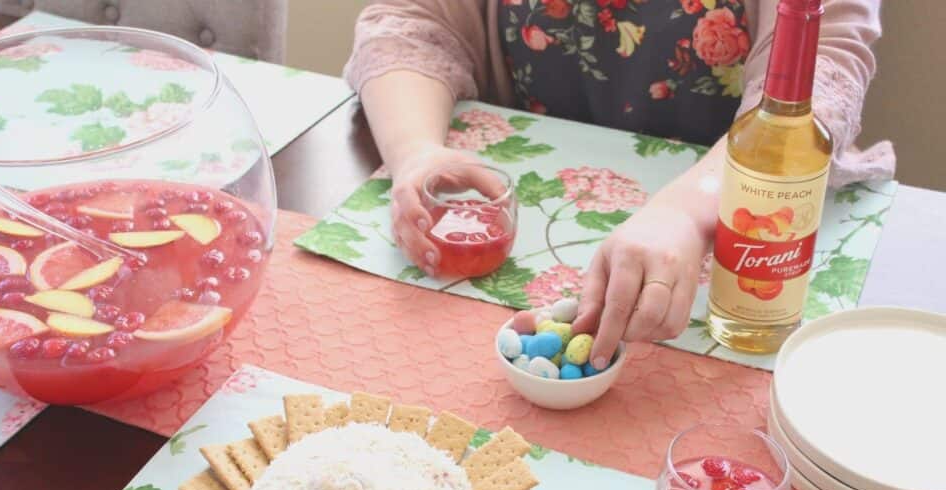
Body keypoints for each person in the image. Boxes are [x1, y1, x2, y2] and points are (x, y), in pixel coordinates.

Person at [344, 0, 894, 369]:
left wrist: (686, 211)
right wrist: (417, 149)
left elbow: (825, 65)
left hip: (741, 215)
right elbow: (408, 21)